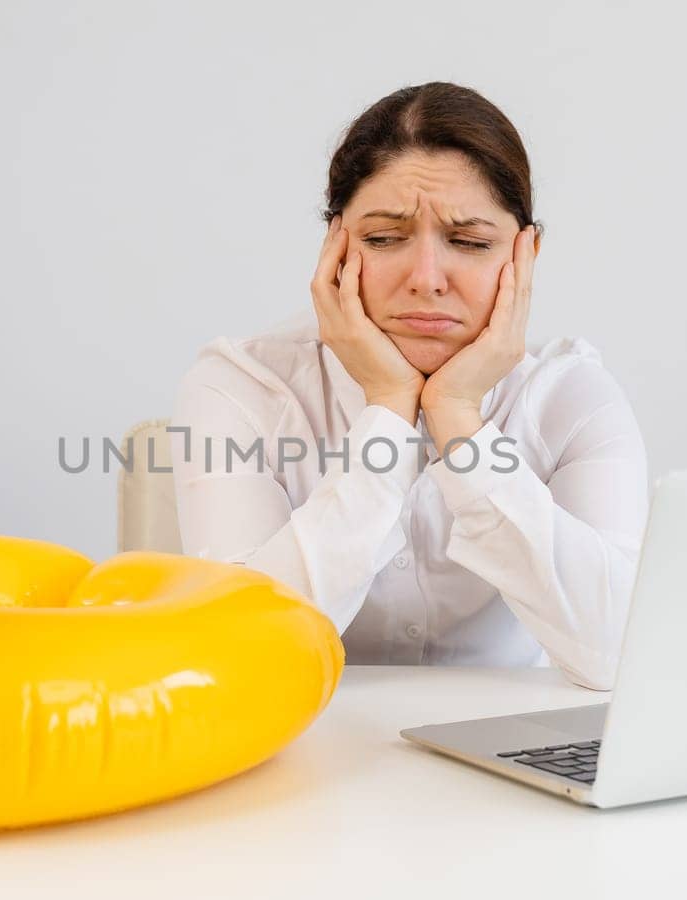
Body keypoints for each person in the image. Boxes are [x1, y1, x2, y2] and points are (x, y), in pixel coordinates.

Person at [170, 82, 648, 690]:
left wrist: (457, 418)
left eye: (470, 243)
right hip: (306, 752)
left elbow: (618, 653)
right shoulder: (240, 388)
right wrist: (388, 414)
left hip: (507, 755)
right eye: (382, 238)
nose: (426, 279)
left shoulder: (571, 397)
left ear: (525, 255)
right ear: (335, 247)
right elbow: (236, 653)